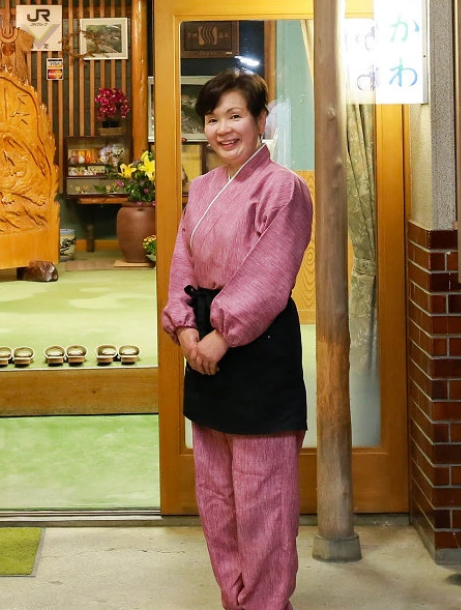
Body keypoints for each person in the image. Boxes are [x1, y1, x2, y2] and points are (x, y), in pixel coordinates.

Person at [161, 68, 313, 610]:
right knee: (217, 493)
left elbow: (270, 276)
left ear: (260, 121)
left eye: (235, 115)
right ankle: (236, 598)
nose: (223, 128)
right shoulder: (200, 189)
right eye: (212, 118)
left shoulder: (285, 188)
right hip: (201, 343)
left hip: (257, 346)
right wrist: (183, 327)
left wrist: (219, 338)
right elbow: (182, 262)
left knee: (263, 496)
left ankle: (267, 604)